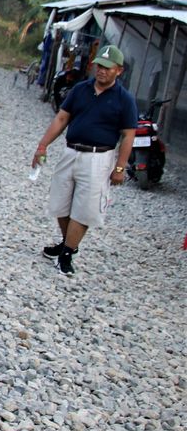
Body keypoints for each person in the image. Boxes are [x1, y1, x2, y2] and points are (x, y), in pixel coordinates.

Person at [32, 45, 137, 276]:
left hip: (99, 157)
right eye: (99, 66)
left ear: (118, 71)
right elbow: (61, 118)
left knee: (85, 208)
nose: (102, 71)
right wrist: (42, 145)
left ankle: (67, 253)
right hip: (71, 151)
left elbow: (128, 135)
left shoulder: (124, 99)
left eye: (108, 68)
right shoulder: (80, 89)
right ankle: (67, 242)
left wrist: (120, 167)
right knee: (60, 202)